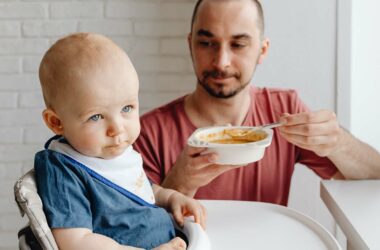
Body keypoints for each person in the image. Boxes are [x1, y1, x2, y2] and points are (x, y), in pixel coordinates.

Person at [134, 0, 380, 204]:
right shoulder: (148, 133)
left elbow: (374, 173)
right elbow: (131, 233)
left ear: (262, 50)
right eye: (207, 43)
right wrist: (179, 184)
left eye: (238, 44)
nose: (222, 62)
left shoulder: (284, 110)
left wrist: (338, 142)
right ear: (190, 45)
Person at [34, 32, 206, 250]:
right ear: (56, 122)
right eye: (96, 117)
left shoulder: (111, 152)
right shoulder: (64, 170)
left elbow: (139, 188)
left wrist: (171, 198)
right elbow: (75, 242)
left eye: (127, 108)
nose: (117, 129)